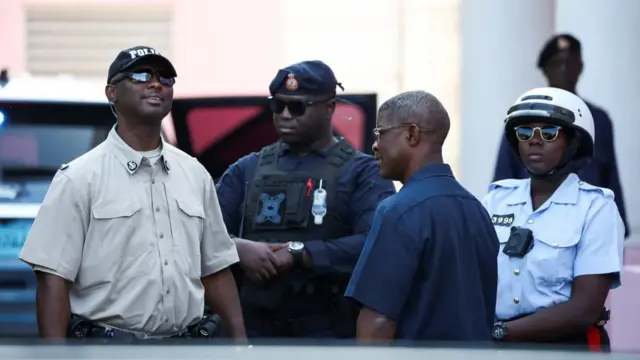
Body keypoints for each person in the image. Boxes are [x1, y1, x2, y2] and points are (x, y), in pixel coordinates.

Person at [19, 46, 246, 341]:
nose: (155, 83)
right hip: (109, 350)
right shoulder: (79, 178)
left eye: (165, 78)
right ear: (112, 92)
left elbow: (215, 268)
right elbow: (53, 282)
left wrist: (241, 344)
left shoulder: (195, 174)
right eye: (140, 75)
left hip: (187, 348)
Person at [215, 60, 397, 339]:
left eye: (298, 107)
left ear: (329, 109)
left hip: (328, 334)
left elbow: (376, 244)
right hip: (256, 333)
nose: (285, 114)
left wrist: (300, 254)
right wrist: (237, 248)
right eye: (278, 105)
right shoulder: (247, 170)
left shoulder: (363, 172)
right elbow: (201, 235)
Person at [345, 90, 499, 343]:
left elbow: (377, 323)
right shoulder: (478, 210)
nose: (375, 144)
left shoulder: (398, 211)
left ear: (412, 134)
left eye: (380, 133)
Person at [484, 87, 624, 352]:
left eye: (548, 133)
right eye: (524, 133)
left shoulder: (596, 208)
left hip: (567, 348)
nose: (534, 141)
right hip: (498, 348)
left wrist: (499, 332)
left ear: (572, 143)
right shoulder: (495, 201)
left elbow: (584, 309)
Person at [492, 33, 629, 238]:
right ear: (545, 70)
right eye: (557, 64)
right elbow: (504, 176)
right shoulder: (523, 117)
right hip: (533, 227)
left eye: (571, 63)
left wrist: (618, 226)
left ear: (580, 67)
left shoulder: (597, 120)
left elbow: (610, 175)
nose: (565, 70)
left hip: (589, 225)